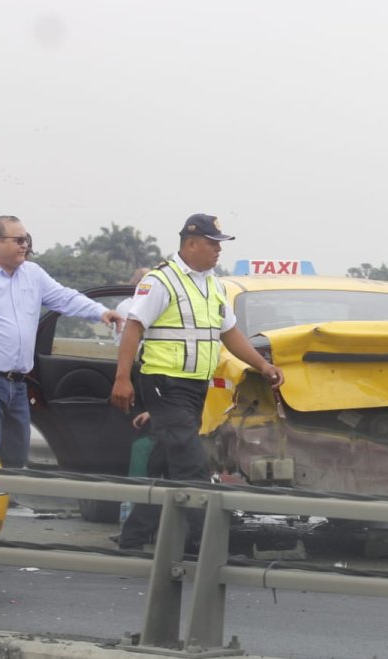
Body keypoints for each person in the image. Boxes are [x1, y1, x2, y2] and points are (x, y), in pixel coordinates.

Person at [109, 213, 284, 551]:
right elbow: (133, 327)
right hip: (164, 384)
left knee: (163, 464)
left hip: (194, 388)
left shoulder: (212, 285)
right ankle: (206, 548)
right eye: (212, 243)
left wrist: (263, 365)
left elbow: (230, 334)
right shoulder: (163, 280)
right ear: (190, 243)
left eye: (220, 244)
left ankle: (132, 539)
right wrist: (122, 379)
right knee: (191, 466)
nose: (218, 250)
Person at [0, 216, 124, 469]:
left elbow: (65, 297)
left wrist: (100, 312)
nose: (25, 245)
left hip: (18, 385)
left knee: (16, 459)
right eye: (19, 240)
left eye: (26, 240)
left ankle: (5, 503)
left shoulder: (33, 274)